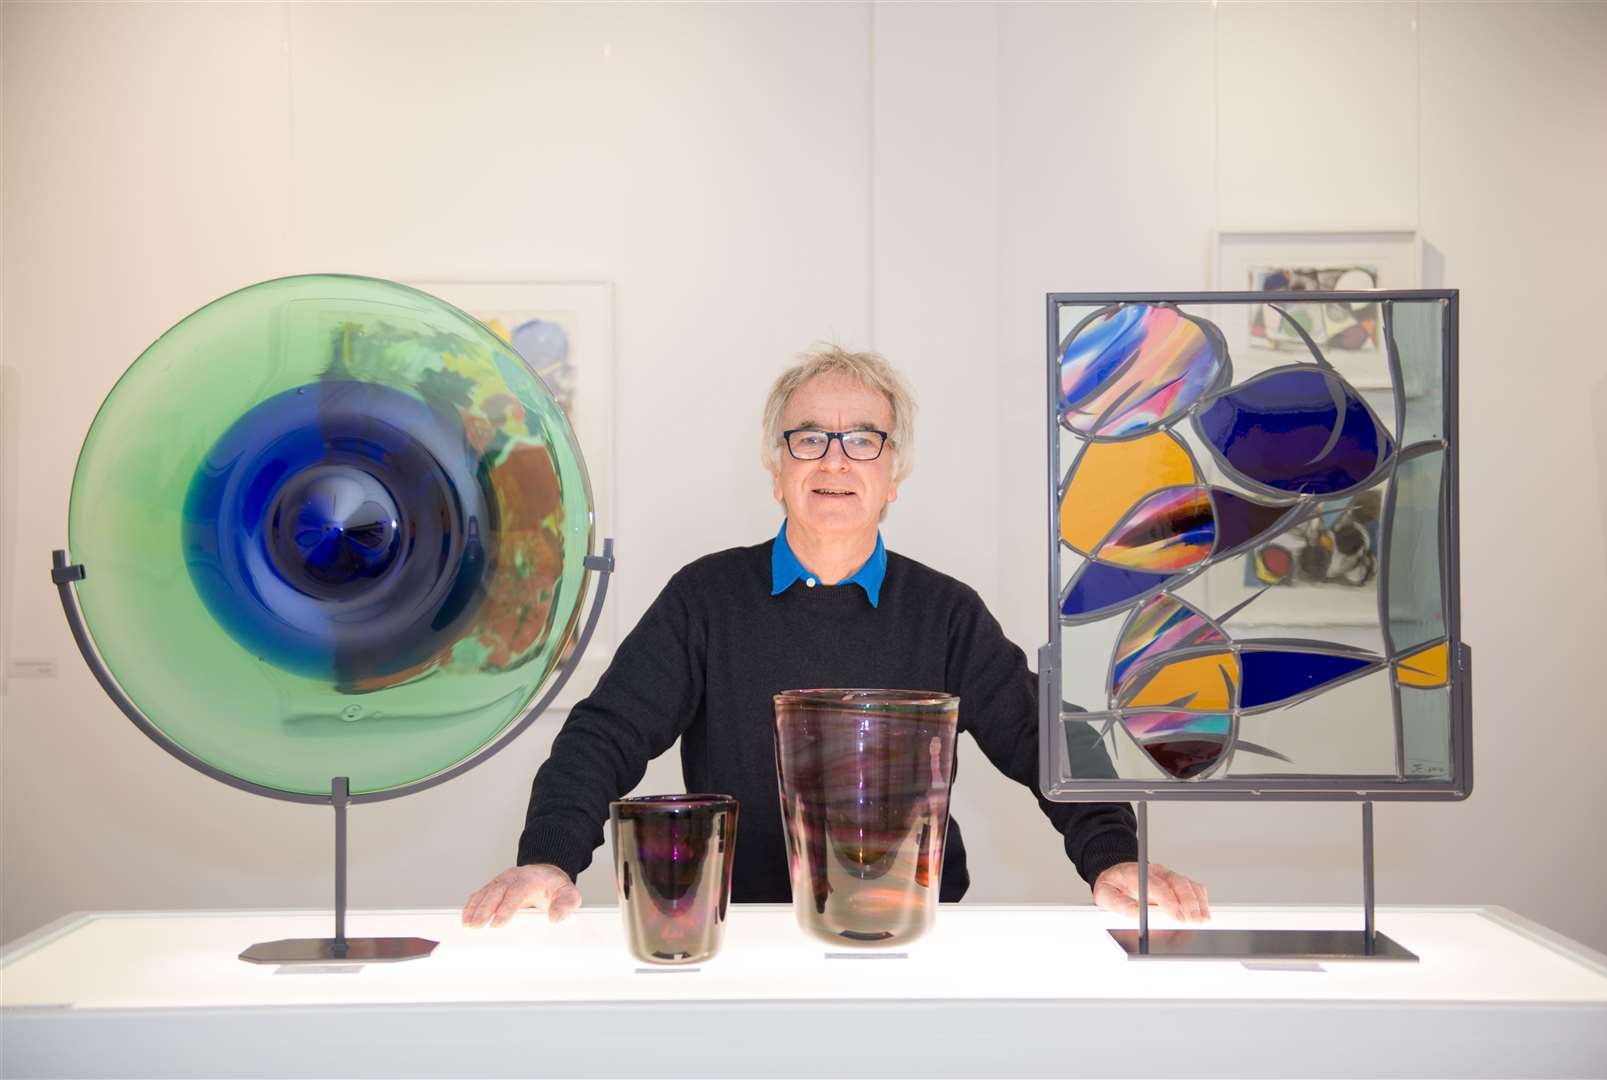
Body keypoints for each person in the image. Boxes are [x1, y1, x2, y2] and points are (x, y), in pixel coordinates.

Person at [462, 347, 1209, 928]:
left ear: (895, 473)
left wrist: (1113, 857)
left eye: (862, 440)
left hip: (916, 936)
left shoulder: (946, 613)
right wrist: (549, 860)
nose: (834, 461)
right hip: (742, 938)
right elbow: (605, 734)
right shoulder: (706, 598)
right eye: (810, 438)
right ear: (776, 467)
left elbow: (1046, 738)